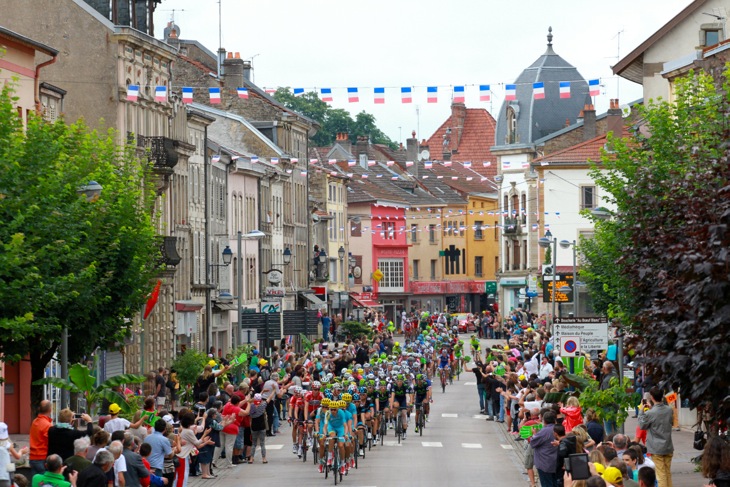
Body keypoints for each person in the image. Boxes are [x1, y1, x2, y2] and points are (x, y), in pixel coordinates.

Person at [637, 387, 674, 487]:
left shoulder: (650, 413)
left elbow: (642, 425)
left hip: (656, 447)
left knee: (660, 475)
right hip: (668, 445)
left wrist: (641, 411)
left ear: (652, 397)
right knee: (667, 473)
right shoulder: (669, 410)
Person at [530, 411, 559, 487]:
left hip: (545, 462)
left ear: (544, 420)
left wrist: (534, 434)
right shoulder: (558, 428)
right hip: (556, 461)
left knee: (547, 484)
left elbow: (533, 443)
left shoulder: (544, 431)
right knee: (555, 483)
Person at [30, 400, 54, 477]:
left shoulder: (34, 422)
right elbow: (50, 442)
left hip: (33, 457)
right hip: (42, 458)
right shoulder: (48, 425)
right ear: (50, 410)